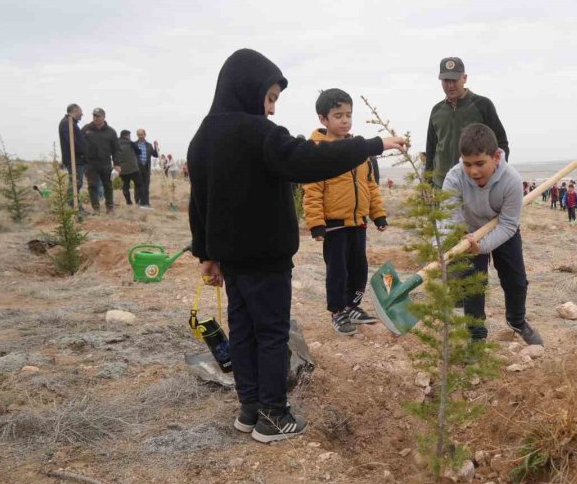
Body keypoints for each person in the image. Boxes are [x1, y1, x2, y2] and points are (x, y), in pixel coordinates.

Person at [187, 49, 407, 443]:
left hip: (232, 260)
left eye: (274, 101)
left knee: (243, 330)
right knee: (272, 332)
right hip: (267, 257)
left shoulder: (202, 137)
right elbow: (311, 160)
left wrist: (205, 253)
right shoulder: (260, 134)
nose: (270, 110)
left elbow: (199, 201)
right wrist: (373, 144)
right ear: (247, 90)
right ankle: (273, 415)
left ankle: (249, 407)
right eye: (268, 98)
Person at [442, 122, 542, 345]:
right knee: (473, 285)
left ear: (496, 157)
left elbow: (508, 224)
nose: (473, 171)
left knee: (516, 281)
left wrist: (484, 246)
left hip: (503, 230)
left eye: (480, 163)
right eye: (467, 164)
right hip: (468, 233)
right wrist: (457, 240)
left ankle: (517, 321)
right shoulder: (454, 178)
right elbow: (449, 218)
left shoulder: (511, 180)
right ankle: (476, 336)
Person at [304, 89, 387, 336]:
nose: (345, 120)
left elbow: (369, 185)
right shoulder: (318, 151)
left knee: (359, 267)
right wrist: (316, 223)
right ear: (323, 119)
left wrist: (378, 214)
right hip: (334, 225)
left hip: (358, 222)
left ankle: (352, 306)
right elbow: (313, 189)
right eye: (338, 115)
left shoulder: (358, 150)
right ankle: (337, 311)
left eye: (348, 115)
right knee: (337, 270)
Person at [425, 57, 508, 188]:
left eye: (454, 80)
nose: (450, 85)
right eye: (446, 80)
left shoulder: (482, 105)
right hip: (442, 184)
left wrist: (498, 176)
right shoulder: (436, 111)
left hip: (474, 184)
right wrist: (427, 181)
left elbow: (501, 142)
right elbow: (431, 148)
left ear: (464, 78)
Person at [81, 108, 120, 214]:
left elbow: (116, 149)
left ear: (103, 117)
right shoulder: (86, 129)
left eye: (98, 116)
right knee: (92, 185)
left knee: (108, 185)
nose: (95, 118)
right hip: (90, 163)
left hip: (105, 163)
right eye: (94, 116)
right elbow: (79, 144)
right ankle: (96, 208)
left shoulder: (111, 132)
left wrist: (117, 164)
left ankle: (110, 207)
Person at [58, 104, 87, 209]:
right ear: (75, 111)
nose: (82, 114)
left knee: (76, 183)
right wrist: (84, 152)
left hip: (77, 159)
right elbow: (73, 143)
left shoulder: (72, 123)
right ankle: (73, 205)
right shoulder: (67, 123)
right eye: (80, 111)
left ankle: (75, 205)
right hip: (74, 159)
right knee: (75, 183)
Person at [115, 129, 143, 205]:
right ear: (127, 135)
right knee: (139, 184)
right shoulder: (131, 143)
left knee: (125, 186)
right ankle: (138, 201)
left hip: (122, 169)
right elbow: (139, 152)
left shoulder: (116, 143)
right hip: (133, 168)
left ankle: (129, 202)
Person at [134, 129, 158, 208]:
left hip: (146, 168)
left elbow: (155, 155)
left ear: (145, 135)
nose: (140, 136)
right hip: (138, 168)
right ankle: (139, 202)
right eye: (139, 134)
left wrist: (156, 146)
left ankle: (146, 203)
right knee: (138, 186)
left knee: (146, 186)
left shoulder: (149, 145)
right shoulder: (134, 144)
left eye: (142, 134)